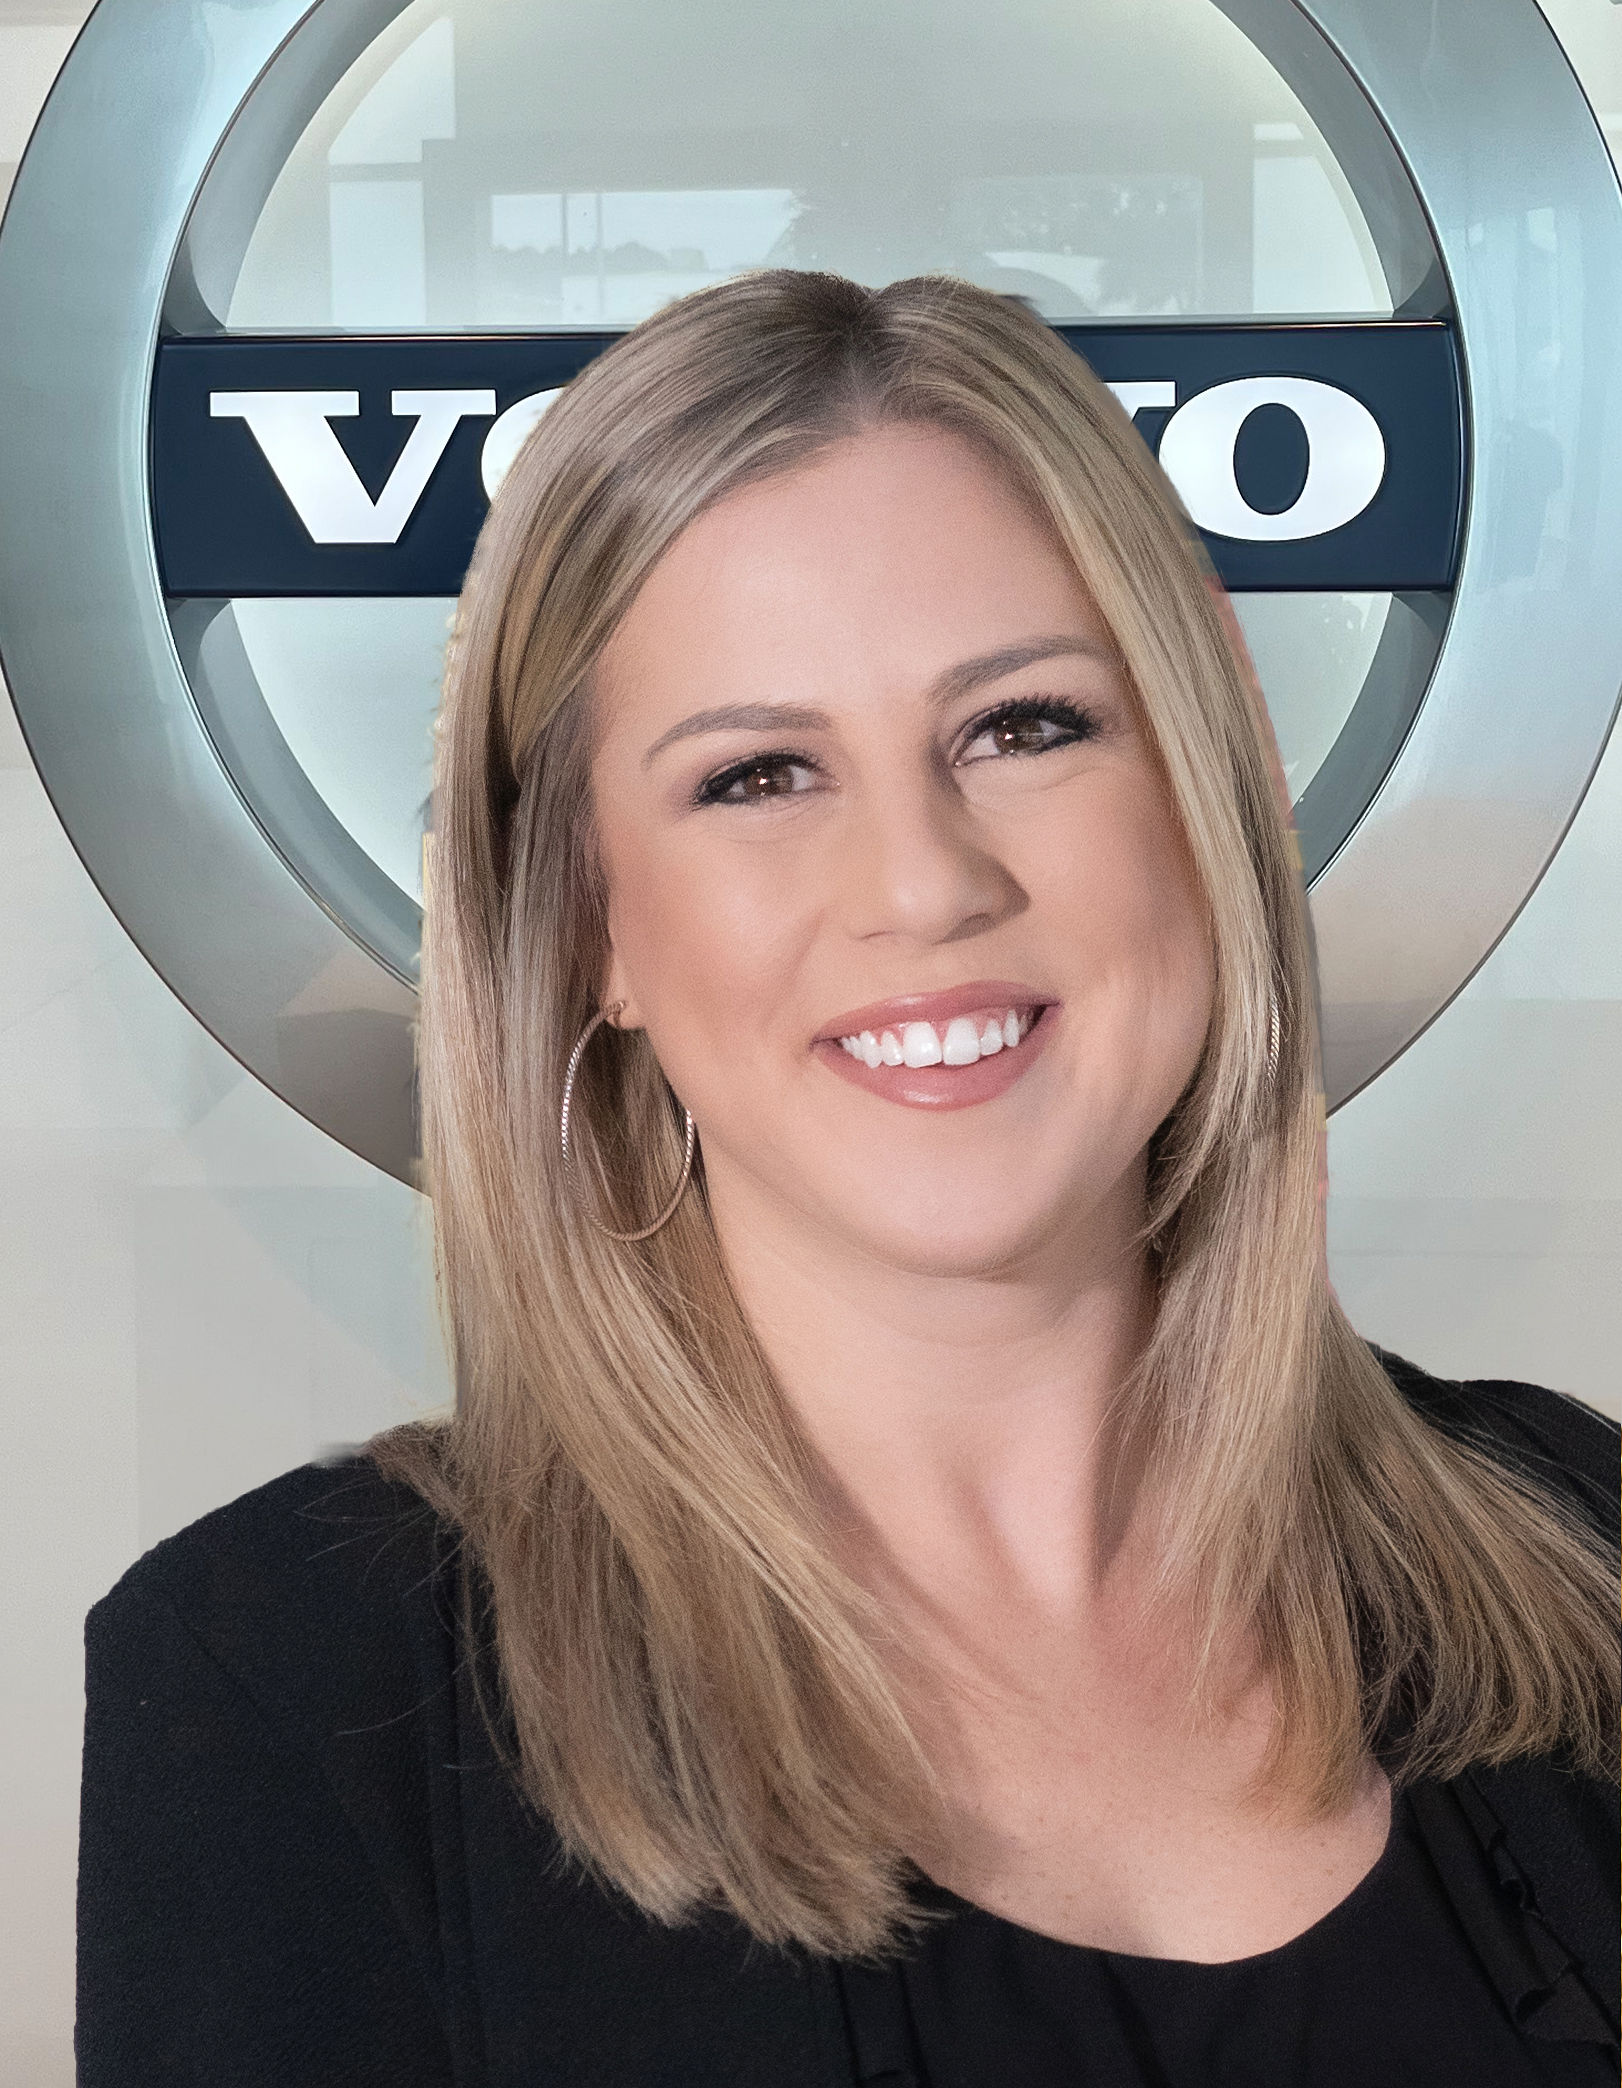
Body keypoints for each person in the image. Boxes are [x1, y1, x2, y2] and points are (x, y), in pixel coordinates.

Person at [76, 272, 1618, 2086]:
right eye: (757, 775)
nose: (922, 884)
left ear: (1209, 795)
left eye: (1023, 727)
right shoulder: (291, 1686)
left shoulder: (1582, 1545)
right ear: (587, 929)